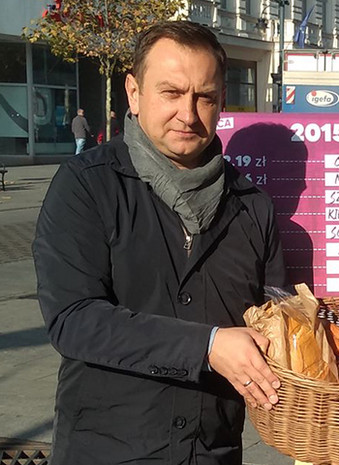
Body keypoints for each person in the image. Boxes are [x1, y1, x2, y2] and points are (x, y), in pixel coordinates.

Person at [33, 21, 286, 464]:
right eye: (171, 93)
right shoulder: (87, 185)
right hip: (106, 451)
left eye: (204, 97)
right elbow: (74, 318)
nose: (188, 114)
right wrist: (206, 346)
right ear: (134, 93)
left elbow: (282, 317)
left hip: (212, 451)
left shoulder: (253, 207)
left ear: (221, 101)